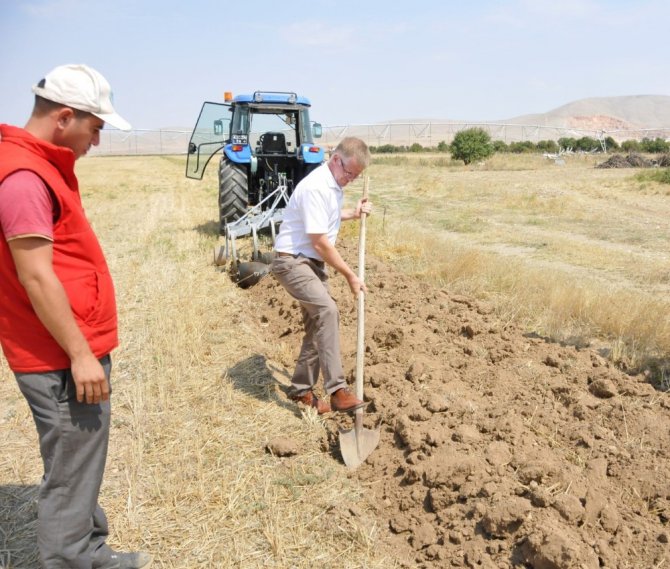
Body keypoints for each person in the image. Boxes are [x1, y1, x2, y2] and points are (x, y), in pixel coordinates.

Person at [0, 65, 151, 569]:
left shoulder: (34, 166)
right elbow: (37, 278)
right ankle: (69, 558)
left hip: (64, 349)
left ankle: (91, 551)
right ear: (66, 117)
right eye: (96, 128)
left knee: (76, 459)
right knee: (70, 467)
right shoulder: (24, 178)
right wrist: (81, 354)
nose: (97, 141)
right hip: (58, 355)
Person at [271, 136, 372, 415]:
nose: (350, 179)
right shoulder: (316, 186)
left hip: (309, 264)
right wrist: (350, 275)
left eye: (356, 176)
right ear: (336, 160)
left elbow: (327, 216)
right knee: (328, 311)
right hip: (292, 262)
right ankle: (337, 391)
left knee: (318, 327)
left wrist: (354, 212)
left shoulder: (332, 184)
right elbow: (320, 242)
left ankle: (301, 391)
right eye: (349, 172)